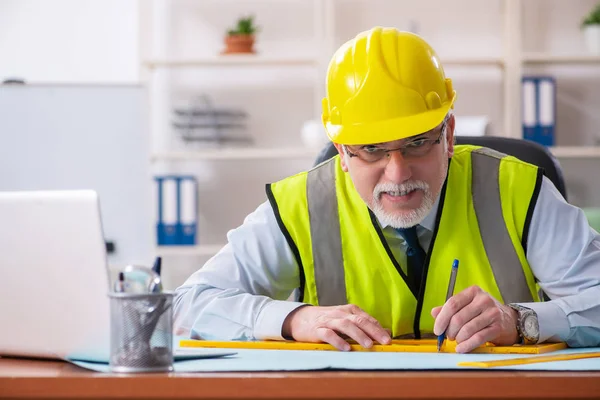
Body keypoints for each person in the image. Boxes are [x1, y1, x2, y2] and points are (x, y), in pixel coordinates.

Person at [173, 27, 600, 353]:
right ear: (342, 151)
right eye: (371, 150)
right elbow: (188, 304)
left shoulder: (519, 189)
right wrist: (292, 319)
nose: (396, 174)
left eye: (416, 142)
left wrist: (521, 320)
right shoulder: (300, 204)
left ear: (448, 133)